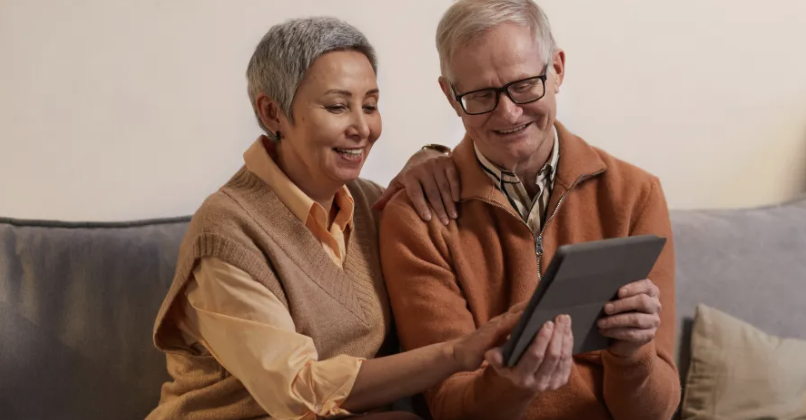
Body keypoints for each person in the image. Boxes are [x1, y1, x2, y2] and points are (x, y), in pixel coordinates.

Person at [147, 17, 520, 420]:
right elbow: (297, 391)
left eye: (371, 105)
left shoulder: (373, 205)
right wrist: (456, 353)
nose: (362, 128)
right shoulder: (226, 232)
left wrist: (435, 156)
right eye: (338, 106)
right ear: (273, 112)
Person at [379, 1, 681, 419]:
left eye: (523, 85)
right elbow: (448, 403)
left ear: (556, 69)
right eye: (481, 95)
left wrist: (633, 355)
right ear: (450, 96)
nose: (508, 113)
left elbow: (659, 411)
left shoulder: (635, 194)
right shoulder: (416, 218)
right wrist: (510, 385)